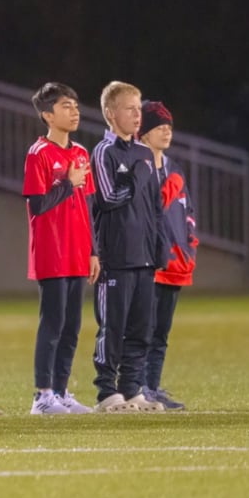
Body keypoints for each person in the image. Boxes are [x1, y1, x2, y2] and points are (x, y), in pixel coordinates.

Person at [90, 82, 167, 414]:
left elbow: (154, 206)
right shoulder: (103, 152)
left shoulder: (143, 153)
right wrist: (134, 178)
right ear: (111, 114)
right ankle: (107, 392)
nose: (138, 115)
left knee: (141, 328)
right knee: (113, 326)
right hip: (116, 258)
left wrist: (160, 243)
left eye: (139, 109)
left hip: (144, 257)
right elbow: (107, 200)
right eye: (130, 109)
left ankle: (132, 389)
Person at [23, 82, 98, 415]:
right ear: (47, 115)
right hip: (52, 251)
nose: (75, 111)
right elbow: (37, 205)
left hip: (78, 250)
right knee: (51, 324)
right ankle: (42, 395)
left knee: (72, 326)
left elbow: (88, 204)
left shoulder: (80, 152)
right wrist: (68, 182)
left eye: (76, 105)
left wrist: (94, 250)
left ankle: (62, 391)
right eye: (66, 106)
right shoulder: (38, 153)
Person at [139, 101, 193, 411]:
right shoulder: (137, 163)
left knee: (160, 332)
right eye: (159, 125)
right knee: (142, 330)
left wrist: (189, 245)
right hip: (147, 261)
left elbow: (188, 212)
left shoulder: (174, 168)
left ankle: (153, 386)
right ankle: (138, 387)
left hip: (174, 263)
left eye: (169, 126)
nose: (166, 130)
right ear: (144, 132)